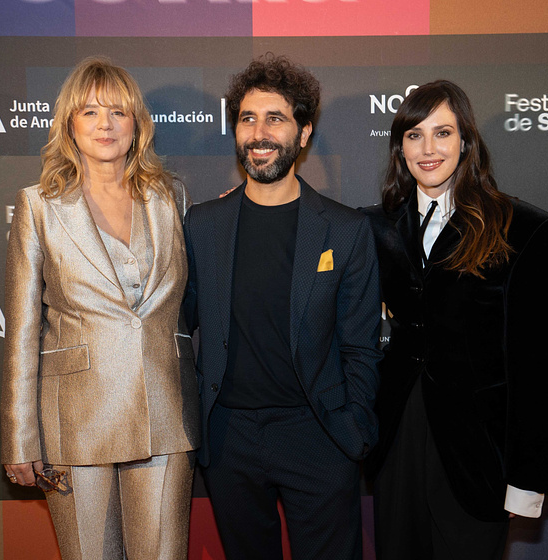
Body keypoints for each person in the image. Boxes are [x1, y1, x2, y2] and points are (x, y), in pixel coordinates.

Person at [182, 54, 381, 560]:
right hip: (228, 439)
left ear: (304, 131)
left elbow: (362, 344)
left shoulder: (345, 229)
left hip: (317, 434)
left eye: (276, 118)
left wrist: (351, 427)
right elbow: (176, 328)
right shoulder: (203, 225)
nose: (259, 133)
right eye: (248, 119)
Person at [0, 56, 200, 560]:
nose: (105, 124)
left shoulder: (171, 196)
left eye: (118, 111)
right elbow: (23, 332)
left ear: (138, 125)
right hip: (75, 421)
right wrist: (20, 438)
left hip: (164, 410)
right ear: (69, 125)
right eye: (89, 112)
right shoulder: (39, 206)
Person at [363, 80, 548, 560]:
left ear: (466, 142)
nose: (428, 149)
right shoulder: (374, 227)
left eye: (443, 133)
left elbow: (539, 369)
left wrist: (527, 480)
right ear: (400, 148)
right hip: (397, 439)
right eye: (414, 135)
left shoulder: (526, 230)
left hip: (478, 453)